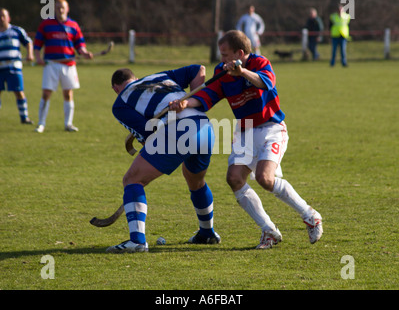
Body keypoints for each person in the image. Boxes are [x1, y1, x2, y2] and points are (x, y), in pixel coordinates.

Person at [170, 30, 323, 249]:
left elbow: (265, 83)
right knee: (234, 178)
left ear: (240, 53)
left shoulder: (260, 62)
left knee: (264, 178)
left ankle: (311, 216)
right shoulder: (221, 72)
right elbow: (207, 96)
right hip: (245, 130)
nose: (221, 59)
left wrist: (242, 72)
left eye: (225, 54)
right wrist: (185, 103)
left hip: (271, 128)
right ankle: (269, 231)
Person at [106, 65, 220, 253]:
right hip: (205, 128)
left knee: (132, 179)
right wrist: (193, 100)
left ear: (115, 89)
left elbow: (148, 132)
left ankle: (137, 242)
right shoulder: (159, 76)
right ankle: (207, 233)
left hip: (179, 130)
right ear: (135, 78)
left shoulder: (120, 102)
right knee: (195, 181)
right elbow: (198, 69)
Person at [33, 0, 93, 133]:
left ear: (67, 9)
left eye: (63, 7)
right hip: (51, 64)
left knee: (68, 94)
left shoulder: (73, 25)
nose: (60, 10)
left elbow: (80, 45)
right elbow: (37, 44)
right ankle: (41, 124)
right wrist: (38, 58)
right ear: (54, 9)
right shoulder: (46, 24)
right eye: (58, 7)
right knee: (46, 93)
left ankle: (68, 124)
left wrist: (85, 53)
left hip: (68, 65)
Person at [0, 8, 34, 124]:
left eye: (3, 16)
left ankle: (24, 117)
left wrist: (30, 54)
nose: (1, 18)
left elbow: (28, 42)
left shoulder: (17, 31)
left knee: (18, 91)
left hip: (14, 67)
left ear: (8, 18)